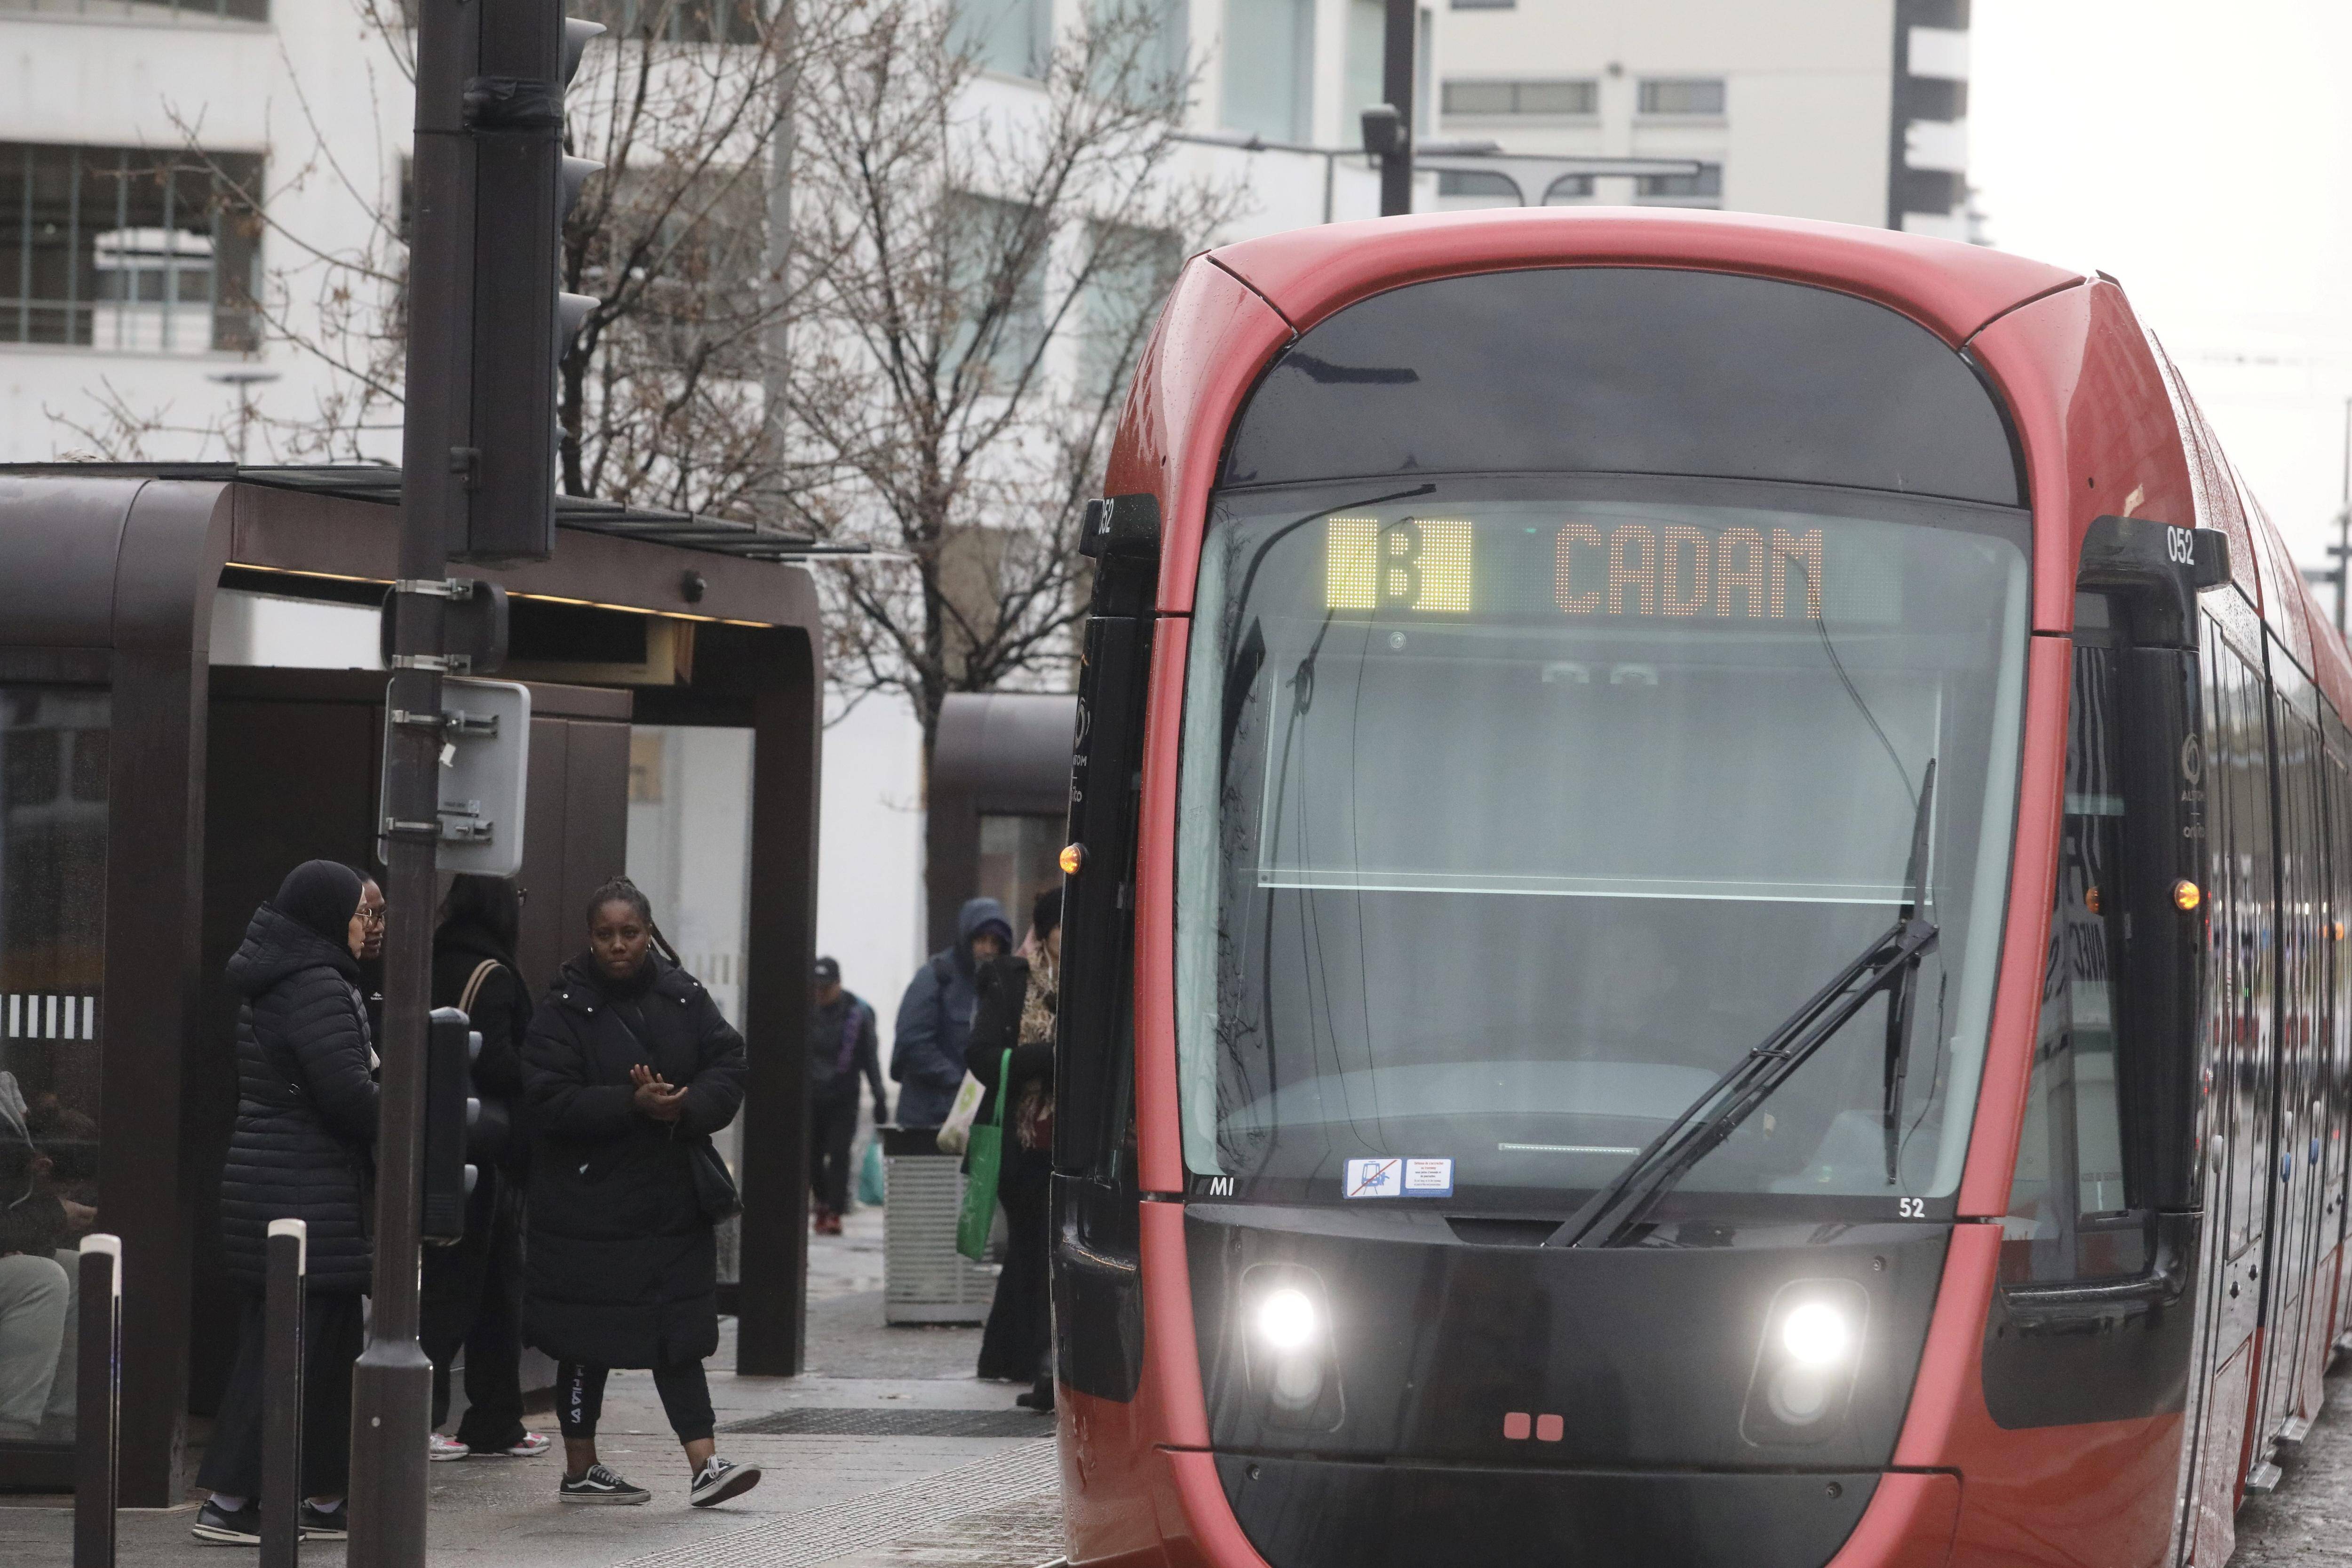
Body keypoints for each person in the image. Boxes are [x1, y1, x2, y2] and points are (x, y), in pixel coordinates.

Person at [520, 876, 762, 1508]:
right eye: (606, 934)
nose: (619, 945)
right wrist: (631, 1104)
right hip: (588, 1205)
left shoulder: (684, 996)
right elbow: (547, 1099)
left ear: (650, 933)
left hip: (670, 1199)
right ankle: (581, 1467)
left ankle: (706, 1464)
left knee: (677, 1329)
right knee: (584, 1338)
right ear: (590, 938)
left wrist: (685, 1105)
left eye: (631, 933)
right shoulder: (563, 1008)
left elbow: (728, 1065)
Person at [193, 861, 384, 1545]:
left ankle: (326, 1496)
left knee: (322, 1350)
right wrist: (407, 1102)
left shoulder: (285, 976)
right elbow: (351, 1099)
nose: (370, 928)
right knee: (289, 1349)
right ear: (331, 916)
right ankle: (231, 1499)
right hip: (304, 1192)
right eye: (362, 915)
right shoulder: (316, 985)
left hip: (283, 1187)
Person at [421, 875, 550, 1463]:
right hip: (482, 1149)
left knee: (496, 1284)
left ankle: (495, 1420)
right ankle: (425, 1417)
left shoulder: (432, 958)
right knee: (464, 1285)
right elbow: (495, 1062)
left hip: (444, 1142)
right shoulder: (491, 974)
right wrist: (544, 1069)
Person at [968, 888, 1059, 1412]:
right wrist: (1037, 1059)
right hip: (1021, 1148)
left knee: (1043, 1254)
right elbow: (980, 1056)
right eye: (1060, 929)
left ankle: (1028, 1359)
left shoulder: (1097, 982)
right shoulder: (1011, 980)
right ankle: (1040, 1363)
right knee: (1032, 1251)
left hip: (1079, 1150)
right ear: (1043, 933)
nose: (1069, 940)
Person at [890, 898, 1012, 1129]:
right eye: (981, 940)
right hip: (928, 1117)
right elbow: (913, 1040)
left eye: (995, 943)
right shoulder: (935, 977)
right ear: (966, 939)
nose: (988, 950)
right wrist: (958, 1081)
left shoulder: (999, 985)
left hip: (975, 1117)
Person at [808, 957, 884, 1235]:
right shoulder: (806, 1012)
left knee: (840, 1154)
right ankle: (823, 1202)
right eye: (816, 987)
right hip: (811, 1098)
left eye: (826, 988)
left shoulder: (856, 1014)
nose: (820, 993)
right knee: (812, 1155)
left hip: (844, 1097)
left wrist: (880, 1097)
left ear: (838, 985)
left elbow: (870, 1058)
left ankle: (835, 1211)